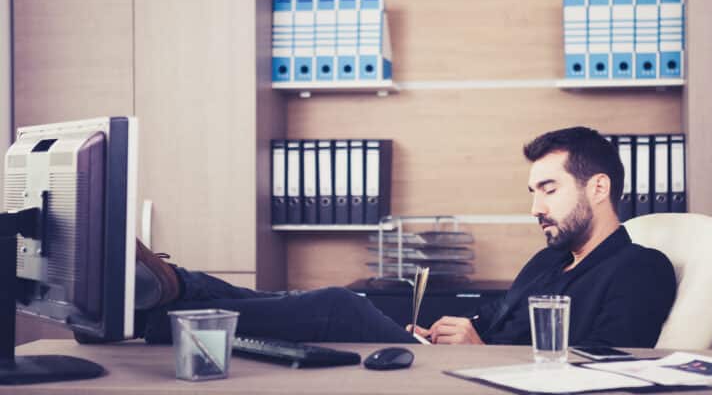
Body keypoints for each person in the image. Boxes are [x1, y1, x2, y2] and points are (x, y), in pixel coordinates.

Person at [87, 126, 676, 347]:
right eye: (531, 192)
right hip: (454, 371)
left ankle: (162, 303)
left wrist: (485, 350)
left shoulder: (639, 268)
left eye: (548, 189)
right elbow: (499, 317)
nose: (534, 207)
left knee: (339, 305)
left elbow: (611, 364)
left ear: (598, 188)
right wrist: (453, 332)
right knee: (300, 311)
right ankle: (166, 297)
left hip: (500, 385)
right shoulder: (552, 262)